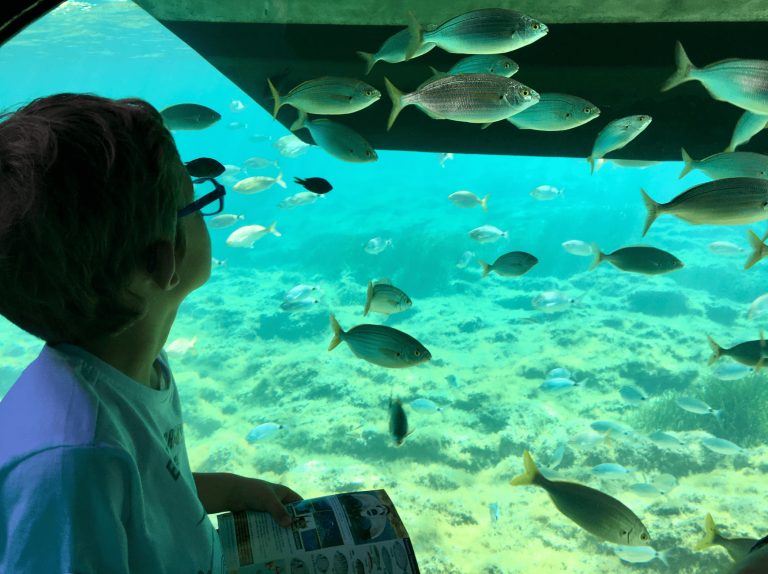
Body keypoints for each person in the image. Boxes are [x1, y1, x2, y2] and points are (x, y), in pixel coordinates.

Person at [0, 93, 301, 573]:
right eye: (198, 200)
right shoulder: (73, 462)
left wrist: (228, 489)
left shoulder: (131, 362)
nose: (207, 209)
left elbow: (141, 499)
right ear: (164, 260)